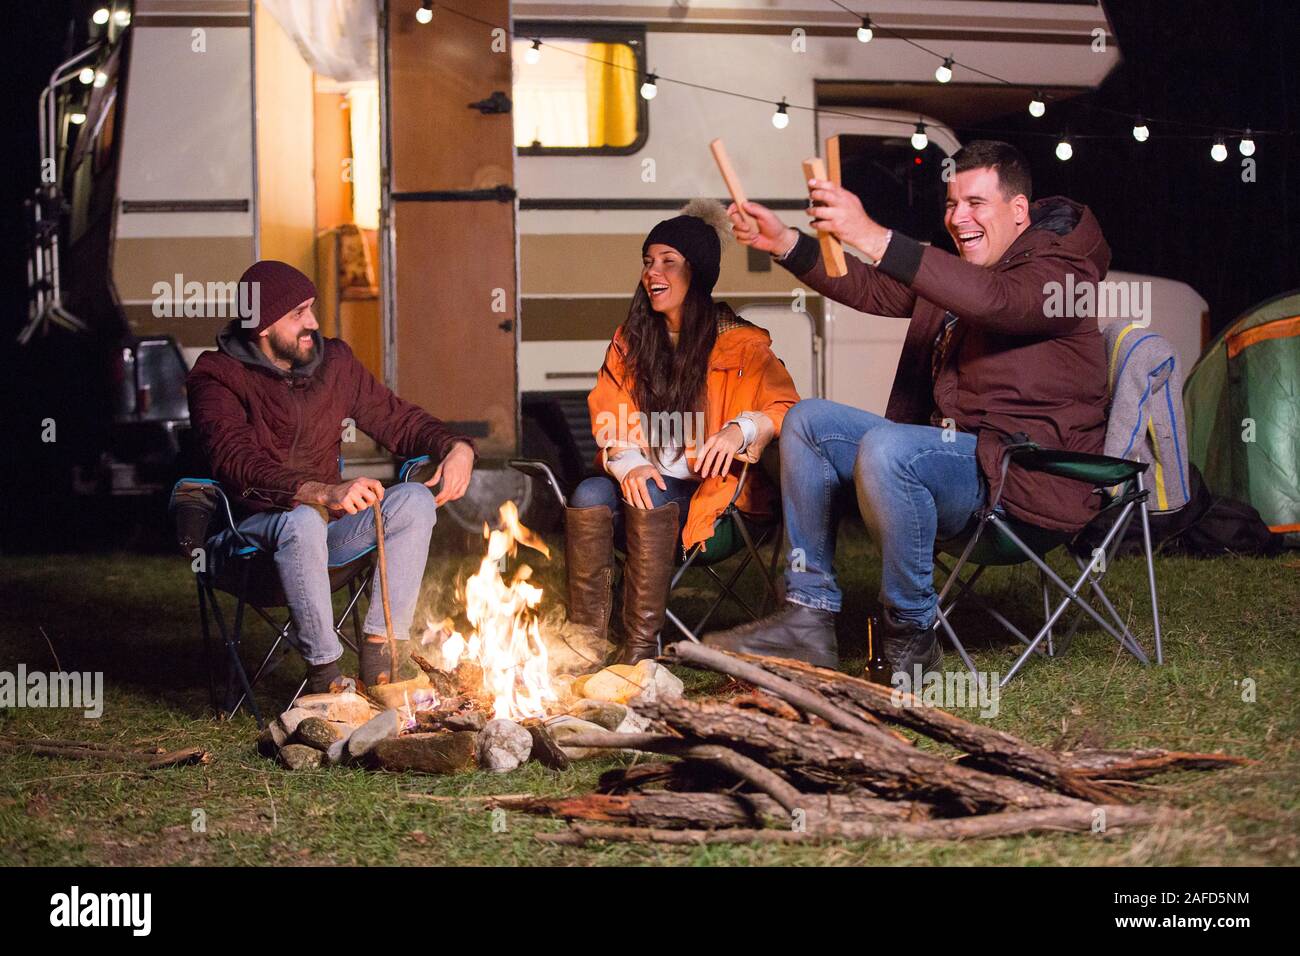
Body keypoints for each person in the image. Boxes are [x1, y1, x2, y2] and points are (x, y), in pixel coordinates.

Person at [705, 140, 1111, 680]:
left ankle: (910, 635)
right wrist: (783, 242)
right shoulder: (967, 271)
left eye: (975, 203)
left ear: (1019, 211)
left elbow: (996, 301)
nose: (957, 218)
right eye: (950, 203)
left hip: (1027, 478)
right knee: (807, 422)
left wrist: (870, 233)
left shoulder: (1064, 273)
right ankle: (808, 619)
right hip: (957, 462)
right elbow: (875, 288)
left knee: (891, 446)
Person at [187, 260, 476, 693]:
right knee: (303, 519)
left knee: (413, 500)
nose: (313, 323)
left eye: (311, 308)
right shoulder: (217, 377)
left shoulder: (333, 362)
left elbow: (396, 420)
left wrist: (456, 447)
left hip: (328, 541)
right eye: (298, 314)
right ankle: (325, 676)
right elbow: (235, 460)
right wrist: (321, 492)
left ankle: (381, 662)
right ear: (262, 327)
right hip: (251, 541)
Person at [566, 200, 800, 665]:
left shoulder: (742, 344)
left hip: (719, 500)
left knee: (649, 493)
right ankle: (584, 644)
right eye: (649, 261)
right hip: (648, 492)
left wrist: (742, 428)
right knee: (590, 493)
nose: (654, 271)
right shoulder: (630, 343)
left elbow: (786, 406)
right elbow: (610, 410)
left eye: (669, 262)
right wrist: (629, 462)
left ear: (699, 274)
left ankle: (640, 648)